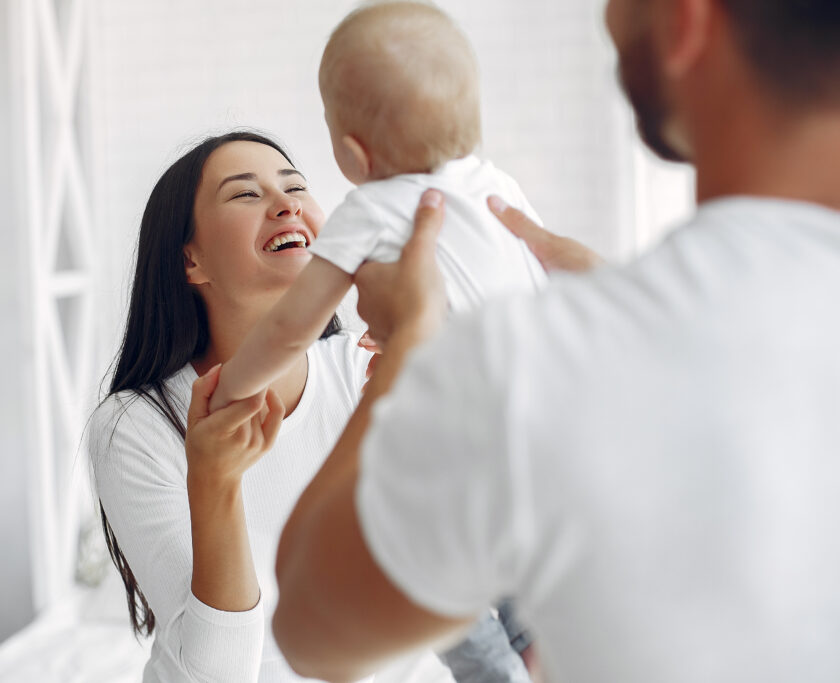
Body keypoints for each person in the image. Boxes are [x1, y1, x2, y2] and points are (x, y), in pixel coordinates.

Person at [272, 0, 840, 681]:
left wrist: (408, 348)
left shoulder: (526, 367)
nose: (605, 17)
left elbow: (312, 626)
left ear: (687, 20)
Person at [87, 131, 512, 682]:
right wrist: (214, 485)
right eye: (245, 194)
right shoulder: (136, 425)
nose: (286, 204)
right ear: (191, 260)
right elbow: (219, 675)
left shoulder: (369, 370)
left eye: (296, 187)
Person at [208, 1, 545, 412]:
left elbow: (289, 330)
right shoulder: (498, 186)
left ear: (355, 154)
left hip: (471, 405)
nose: (286, 205)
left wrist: (228, 391)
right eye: (247, 193)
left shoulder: (370, 210)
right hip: (543, 380)